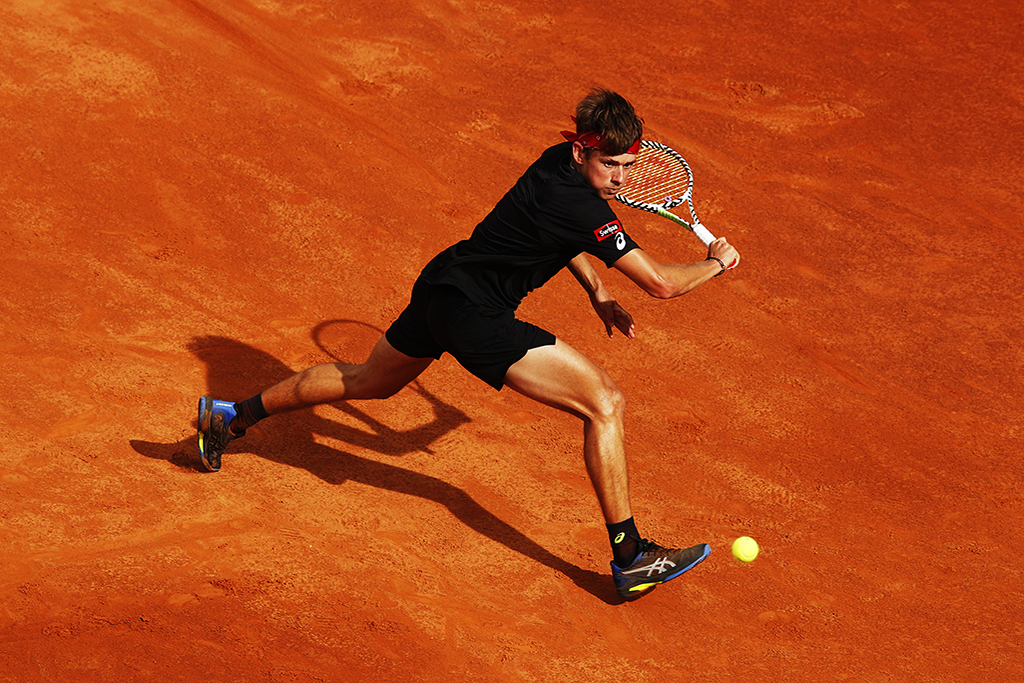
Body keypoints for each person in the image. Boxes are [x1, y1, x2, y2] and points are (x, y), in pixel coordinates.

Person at [197, 89, 740, 600]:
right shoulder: (584, 207)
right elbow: (662, 283)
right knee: (604, 401)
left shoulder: (557, 164)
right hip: (475, 315)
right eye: (610, 166)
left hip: (442, 286)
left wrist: (598, 289)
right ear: (581, 150)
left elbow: (563, 237)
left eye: (628, 166)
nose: (621, 179)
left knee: (367, 381)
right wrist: (716, 261)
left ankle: (230, 415)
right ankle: (631, 557)